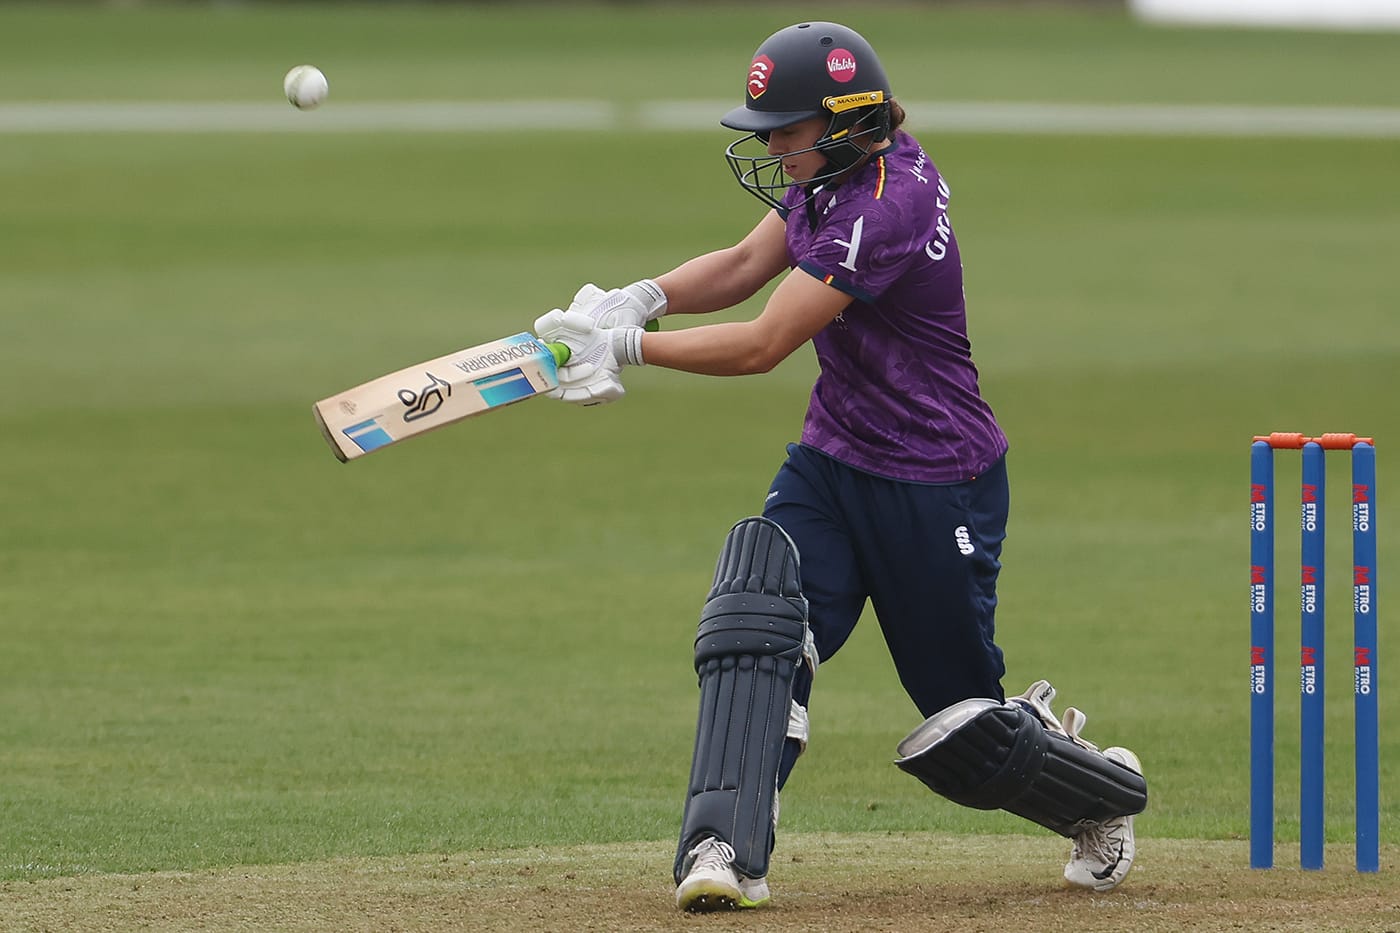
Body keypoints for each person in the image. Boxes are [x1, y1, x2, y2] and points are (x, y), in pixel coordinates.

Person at [532, 21, 1147, 912]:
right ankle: (725, 847)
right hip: (833, 458)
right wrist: (645, 295)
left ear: (851, 120)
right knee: (758, 626)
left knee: (963, 726)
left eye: (786, 129)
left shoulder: (883, 206)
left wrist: (625, 348)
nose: (772, 145)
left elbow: (762, 344)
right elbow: (747, 263)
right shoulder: (835, 174)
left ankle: (1096, 791)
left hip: (936, 478)